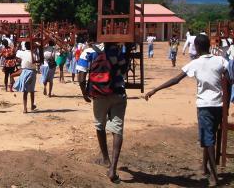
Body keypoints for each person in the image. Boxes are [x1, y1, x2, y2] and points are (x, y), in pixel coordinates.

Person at [144, 34, 228, 187]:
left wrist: (155, 89)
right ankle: (205, 167)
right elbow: (228, 79)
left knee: (208, 139)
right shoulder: (220, 60)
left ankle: (214, 176)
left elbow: (176, 79)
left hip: (204, 105)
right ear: (209, 45)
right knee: (210, 136)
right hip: (218, 105)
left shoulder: (195, 63)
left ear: (196, 47)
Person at [77, 28, 128, 183]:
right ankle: (113, 168)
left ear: (90, 37)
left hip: (99, 94)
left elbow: (80, 76)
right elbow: (124, 69)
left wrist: (85, 93)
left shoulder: (88, 52)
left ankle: (105, 158)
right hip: (118, 92)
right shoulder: (115, 50)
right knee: (117, 129)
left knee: (100, 125)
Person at [13, 41, 37, 113]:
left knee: (25, 91)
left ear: (25, 47)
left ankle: (25, 108)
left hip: (25, 71)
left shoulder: (22, 53)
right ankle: (32, 105)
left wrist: (18, 46)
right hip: (32, 72)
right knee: (32, 90)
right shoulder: (34, 54)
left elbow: (16, 53)